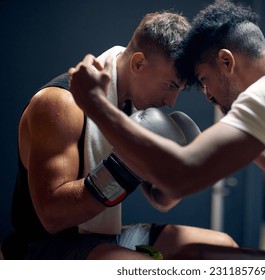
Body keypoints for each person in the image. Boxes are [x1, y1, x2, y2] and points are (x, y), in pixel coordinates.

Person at [68, 0, 265, 260]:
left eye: (204, 80)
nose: (208, 95)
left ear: (226, 61)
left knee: (224, 266)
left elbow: (181, 177)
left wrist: (98, 105)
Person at [1, 10, 238, 260]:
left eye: (179, 89)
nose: (171, 101)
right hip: (43, 246)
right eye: (169, 85)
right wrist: (127, 165)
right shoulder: (61, 104)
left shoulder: (137, 109)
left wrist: (180, 174)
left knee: (222, 249)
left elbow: (161, 200)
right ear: (138, 63)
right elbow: (52, 217)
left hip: (102, 236)